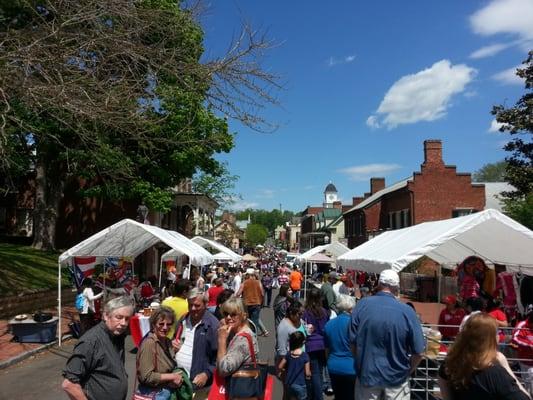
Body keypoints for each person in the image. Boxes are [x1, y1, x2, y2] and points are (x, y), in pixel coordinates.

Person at [349, 269, 425, 400]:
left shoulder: (362, 305)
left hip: (368, 377)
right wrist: (407, 372)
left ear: (379, 284)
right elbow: (419, 352)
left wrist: (361, 365)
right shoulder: (407, 312)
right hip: (397, 380)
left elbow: (352, 343)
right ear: (396, 287)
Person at [439, 313, 529, 400]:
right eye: (497, 332)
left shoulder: (449, 365)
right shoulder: (495, 374)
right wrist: (505, 365)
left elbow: (446, 395)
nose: (498, 336)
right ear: (491, 339)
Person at [62, 296, 134, 400]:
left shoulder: (117, 335)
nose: (123, 323)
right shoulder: (91, 341)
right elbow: (69, 384)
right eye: (119, 317)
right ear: (105, 316)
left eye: (127, 319)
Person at [173, 288, 219, 399]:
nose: (193, 309)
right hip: (179, 382)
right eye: (190, 305)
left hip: (199, 386)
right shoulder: (183, 319)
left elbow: (219, 358)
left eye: (197, 305)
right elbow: (175, 340)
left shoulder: (213, 326)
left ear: (206, 304)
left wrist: (206, 374)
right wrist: (173, 346)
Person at [135, 306, 186, 400]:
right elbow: (146, 376)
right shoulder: (149, 343)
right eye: (161, 324)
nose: (165, 327)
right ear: (153, 325)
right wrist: (172, 376)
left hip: (165, 392)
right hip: (153, 394)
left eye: (169, 324)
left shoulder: (167, 341)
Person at [216, 297, 259, 379]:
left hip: (239, 387)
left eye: (233, 314)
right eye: (226, 313)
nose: (228, 317)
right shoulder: (234, 332)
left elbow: (224, 370)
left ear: (244, 316)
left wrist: (222, 340)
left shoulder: (242, 340)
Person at [324, 294, 356, 400]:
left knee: (338, 396)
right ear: (350, 309)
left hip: (333, 366)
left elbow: (327, 350)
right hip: (351, 367)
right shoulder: (354, 324)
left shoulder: (329, 324)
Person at [303, 287, 331, 400]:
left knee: (314, 373)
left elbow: (304, 329)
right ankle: (317, 395)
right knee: (319, 372)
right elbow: (326, 328)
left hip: (311, 344)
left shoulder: (306, 313)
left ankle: (317, 396)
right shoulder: (324, 312)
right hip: (322, 344)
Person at [278, 331, 311, 400]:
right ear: (303, 343)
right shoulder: (305, 356)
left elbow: (280, 366)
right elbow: (307, 373)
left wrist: (285, 370)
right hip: (300, 384)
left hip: (289, 384)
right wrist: (310, 375)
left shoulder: (289, 354)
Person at [236, 268, 269, 337]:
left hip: (247, 304)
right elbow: (262, 294)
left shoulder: (244, 283)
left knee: (246, 320)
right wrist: (261, 302)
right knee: (255, 321)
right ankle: (254, 335)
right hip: (257, 303)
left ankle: (248, 334)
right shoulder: (258, 282)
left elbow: (238, 293)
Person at [512, 304, 533, 373]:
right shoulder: (522, 325)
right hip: (527, 363)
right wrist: (530, 345)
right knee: (530, 383)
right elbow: (515, 338)